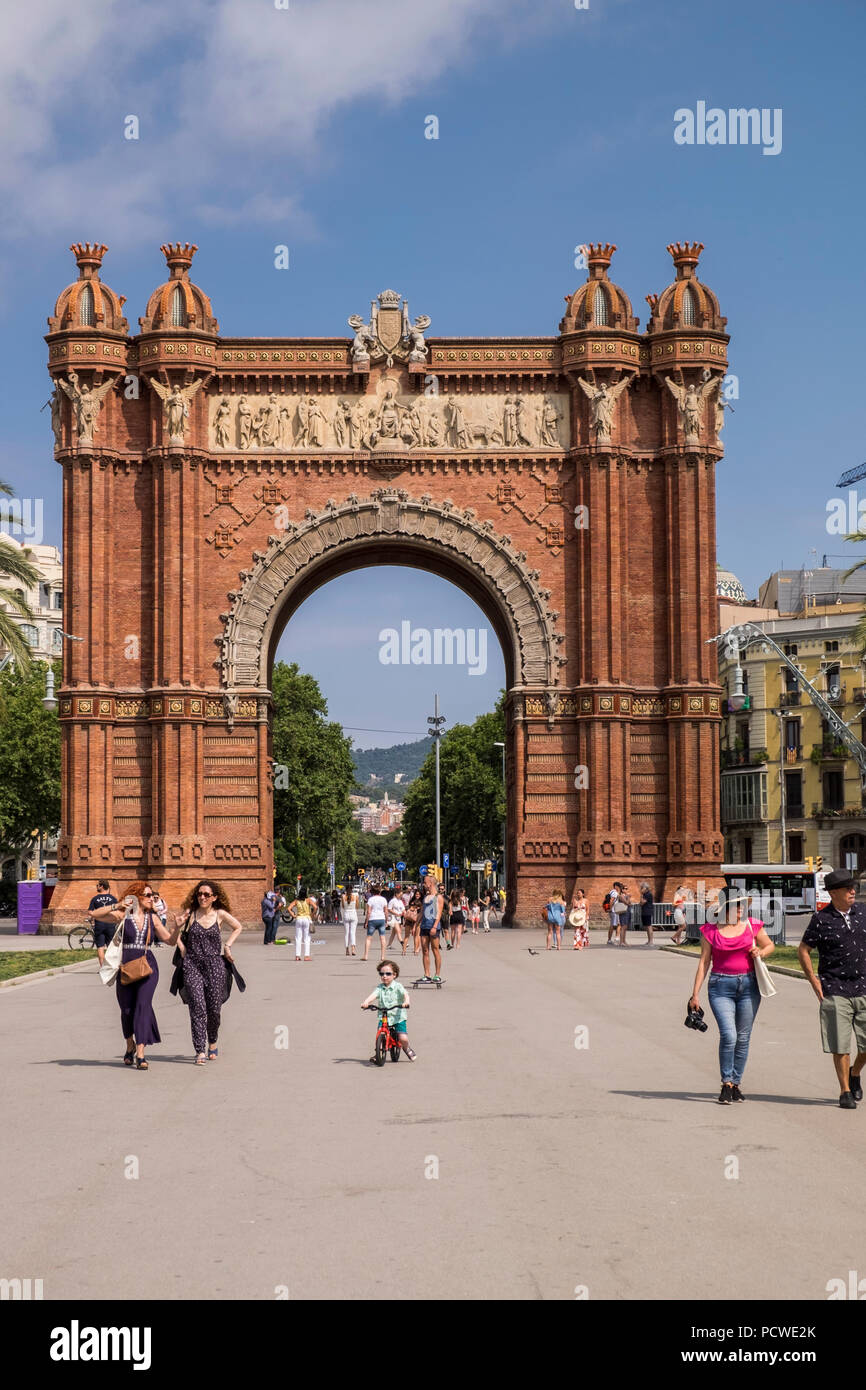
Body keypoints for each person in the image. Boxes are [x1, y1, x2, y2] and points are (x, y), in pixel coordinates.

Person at [689, 892, 774, 1103]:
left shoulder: (752, 925)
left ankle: (736, 1084)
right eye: (736, 906)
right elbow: (704, 962)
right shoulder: (710, 931)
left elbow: (769, 945)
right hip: (720, 987)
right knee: (729, 1036)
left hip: (749, 987)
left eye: (742, 906)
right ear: (724, 909)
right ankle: (726, 1082)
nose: (741, 910)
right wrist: (695, 994)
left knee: (743, 1038)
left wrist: (760, 953)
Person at [91, 881, 179, 1069]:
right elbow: (95, 914)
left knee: (142, 1005)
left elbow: (170, 941)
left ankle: (140, 1053)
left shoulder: (153, 919)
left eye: (152, 896)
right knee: (126, 1010)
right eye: (147, 895)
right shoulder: (124, 916)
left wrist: (177, 927)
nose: (151, 898)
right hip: (126, 966)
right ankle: (129, 1044)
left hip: (148, 966)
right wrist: (117, 905)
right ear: (138, 897)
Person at [798, 868, 866, 1109]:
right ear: (834, 893)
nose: (852, 891)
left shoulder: (863, 913)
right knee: (840, 1043)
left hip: (864, 986)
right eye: (847, 888)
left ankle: (855, 1073)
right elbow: (803, 950)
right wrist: (814, 982)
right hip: (835, 987)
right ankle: (845, 1090)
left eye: (853, 887)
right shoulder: (821, 919)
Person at [175, 880, 244, 1063]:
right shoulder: (190, 915)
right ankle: (200, 1050)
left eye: (206, 894)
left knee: (214, 1009)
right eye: (199, 894)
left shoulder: (220, 914)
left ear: (214, 897)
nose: (202, 897)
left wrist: (227, 946)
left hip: (215, 965)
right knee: (197, 1007)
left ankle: (212, 1041)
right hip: (192, 965)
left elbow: (238, 927)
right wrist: (182, 947)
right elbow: (173, 932)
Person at [361, 959, 417, 1062]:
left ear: (394, 975)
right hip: (384, 1016)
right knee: (380, 1034)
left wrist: (406, 1002)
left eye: (388, 973)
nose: (384, 976)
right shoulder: (380, 988)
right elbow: (373, 995)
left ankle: (406, 1048)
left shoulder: (398, 986)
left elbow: (405, 994)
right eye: (381, 974)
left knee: (403, 1038)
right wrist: (366, 1002)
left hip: (398, 1016)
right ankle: (378, 1053)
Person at [418, 874, 444, 982]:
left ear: (430, 883)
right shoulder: (425, 897)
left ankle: (437, 974)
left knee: (435, 949)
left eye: (425, 882)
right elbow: (422, 912)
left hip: (434, 926)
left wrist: (434, 926)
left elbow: (439, 913)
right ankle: (427, 974)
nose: (424, 884)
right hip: (424, 926)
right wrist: (416, 925)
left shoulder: (438, 897)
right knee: (425, 950)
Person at [88, 879, 118, 968]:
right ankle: (112, 967)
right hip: (110, 925)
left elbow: (90, 912)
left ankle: (103, 968)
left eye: (97, 885)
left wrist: (92, 918)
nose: (96, 887)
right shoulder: (113, 898)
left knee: (100, 947)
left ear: (101, 886)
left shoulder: (95, 899)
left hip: (99, 925)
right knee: (110, 947)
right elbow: (117, 911)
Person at [286, 886, 319, 962]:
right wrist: (312, 914)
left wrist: (293, 915)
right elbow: (315, 907)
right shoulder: (308, 900)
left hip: (299, 919)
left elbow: (288, 908)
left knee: (298, 938)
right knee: (307, 938)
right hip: (306, 919)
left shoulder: (296, 901)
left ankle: (297, 956)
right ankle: (306, 956)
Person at [362, 883, 389, 963]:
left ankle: (366, 955)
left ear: (372, 892)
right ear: (380, 891)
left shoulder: (370, 900)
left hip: (372, 919)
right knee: (382, 938)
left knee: (369, 938)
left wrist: (366, 922)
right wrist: (386, 921)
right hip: (381, 919)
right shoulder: (384, 899)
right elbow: (386, 911)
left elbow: (368, 912)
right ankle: (383, 956)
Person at [401, 889, 420, 957]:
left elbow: (406, 914)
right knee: (415, 936)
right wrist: (414, 927)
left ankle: (404, 951)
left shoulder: (410, 907)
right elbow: (416, 919)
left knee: (407, 936)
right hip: (414, 921)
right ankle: (415, 950)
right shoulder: (416, 909)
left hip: (408, 921)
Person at [342, 885, 360, 956]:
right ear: (352, 890)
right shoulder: (355, 896)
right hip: (353, 914)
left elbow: (343, 906)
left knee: (347, 933)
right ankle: (353, 949)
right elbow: (357, 907)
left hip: (346, 914)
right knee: (353, 933)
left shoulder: (343, 897)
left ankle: (347, 950)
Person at [640, 880, 655, 946]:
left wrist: (641, 896)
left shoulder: (648, 894)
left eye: (641, 888)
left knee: (649, 927)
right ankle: (649, 940)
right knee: (647, 927)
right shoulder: (645, 894)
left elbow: (642, 902)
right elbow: (641, 904)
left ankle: (651, 941)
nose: (640, 889)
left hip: (647, 912)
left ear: (645, 888)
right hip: (644, 912)